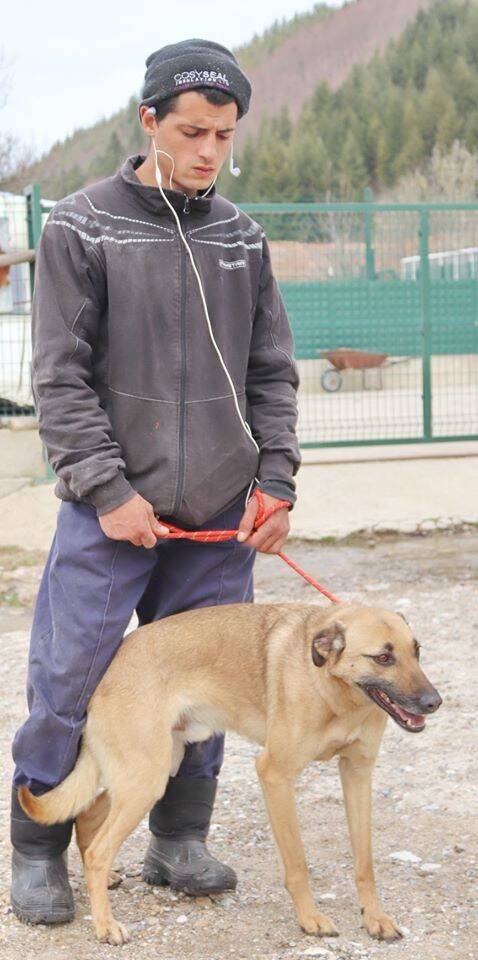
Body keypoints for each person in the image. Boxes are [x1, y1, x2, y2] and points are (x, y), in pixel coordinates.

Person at [10, 38, 300, 925]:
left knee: (211, 686)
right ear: (149, 121)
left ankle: (178, 839)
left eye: (225, 134)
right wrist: (107, 490)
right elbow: (59, 377)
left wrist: (277, 479)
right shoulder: (82, 226)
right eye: (191, 131)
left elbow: (271, 372)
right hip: (110, 513)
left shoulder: (242, 238)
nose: (209, 151)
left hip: (217, 513)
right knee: (70, 674)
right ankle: (38, 851)